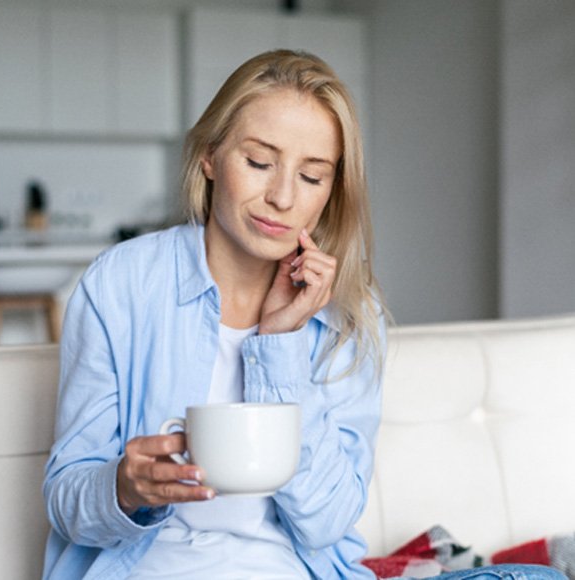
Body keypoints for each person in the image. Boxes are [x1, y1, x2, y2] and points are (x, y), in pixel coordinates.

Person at [42, 50, 564, 580]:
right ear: (209, 156)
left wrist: (280, 344)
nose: (282, 197)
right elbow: (67, 500)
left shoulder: (350, 313)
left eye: (312, 176)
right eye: (259, 162)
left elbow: (327, 522)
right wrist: (124, 488)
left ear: (331, 192)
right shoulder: (122, 284)